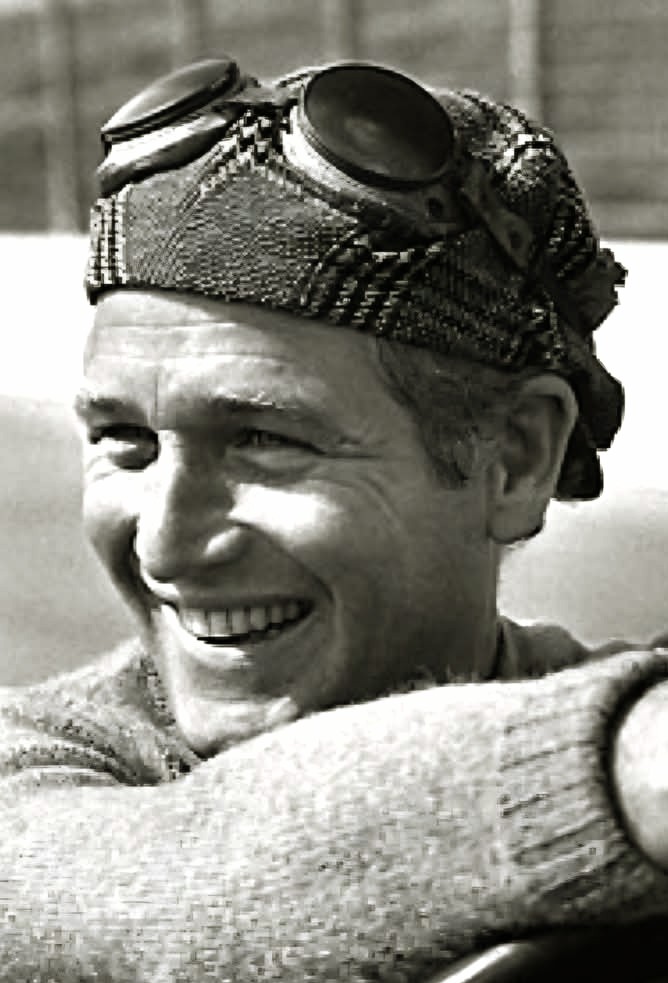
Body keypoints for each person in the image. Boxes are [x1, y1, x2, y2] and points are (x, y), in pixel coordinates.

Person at [1, 57, 667, 981]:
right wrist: (620, 775)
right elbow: (161, 892)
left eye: (262, 440)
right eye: (125, 440)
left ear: (515, 457)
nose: (165, 542)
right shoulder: (36, 770)